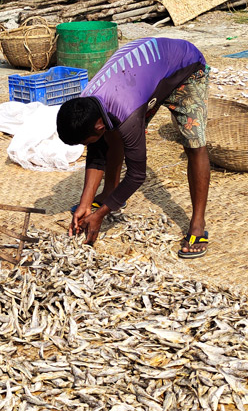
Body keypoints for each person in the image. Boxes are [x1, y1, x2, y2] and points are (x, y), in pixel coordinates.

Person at [56, 37, 210, 259]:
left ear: (98, 125)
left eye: (85, 141)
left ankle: (197, 223)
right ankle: (110, 192)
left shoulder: (127, 113)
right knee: (111, 134)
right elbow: (97, 152)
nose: (86, 147)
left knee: (195, 145)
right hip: (145, 75)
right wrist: (85, 204)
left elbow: (137, 175)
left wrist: (100, 214)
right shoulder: (87, 101)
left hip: (186, 67)